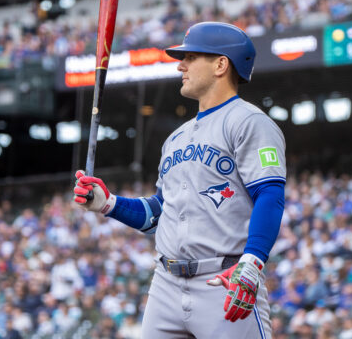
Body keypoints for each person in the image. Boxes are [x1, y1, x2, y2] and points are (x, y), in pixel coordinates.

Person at [73, 21, 286, 338]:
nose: (180, 66)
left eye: (191, 57)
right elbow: (160, 212)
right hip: (166, 285)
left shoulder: (250, 121)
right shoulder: (175, 138)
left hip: (223, 279)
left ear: (220, 64)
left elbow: (269, 193)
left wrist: (253, 261)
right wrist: (109, 205)